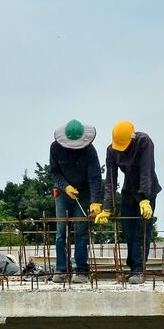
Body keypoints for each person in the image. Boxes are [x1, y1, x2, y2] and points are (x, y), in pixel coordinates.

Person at [95, 120, 161, 284]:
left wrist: (145, 198)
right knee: (129, 232)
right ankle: (133, 267)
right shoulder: (112, 151)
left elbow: (146, 170)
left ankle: (138, 270)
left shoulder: (144, 142)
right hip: (128, 194)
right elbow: (111, 180)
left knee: (141, 231)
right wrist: (107, 208)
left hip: (147, 192)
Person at [49, 119, 103, 282]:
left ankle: (81, 271)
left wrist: (95, 201)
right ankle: (62, 269)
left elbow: (95, 177)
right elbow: (54, 172)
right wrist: (65, 187)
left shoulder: (89, 151)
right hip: (63, 194)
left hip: (84, 193)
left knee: (81, 230)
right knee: (61, 232)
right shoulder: (55, 148)